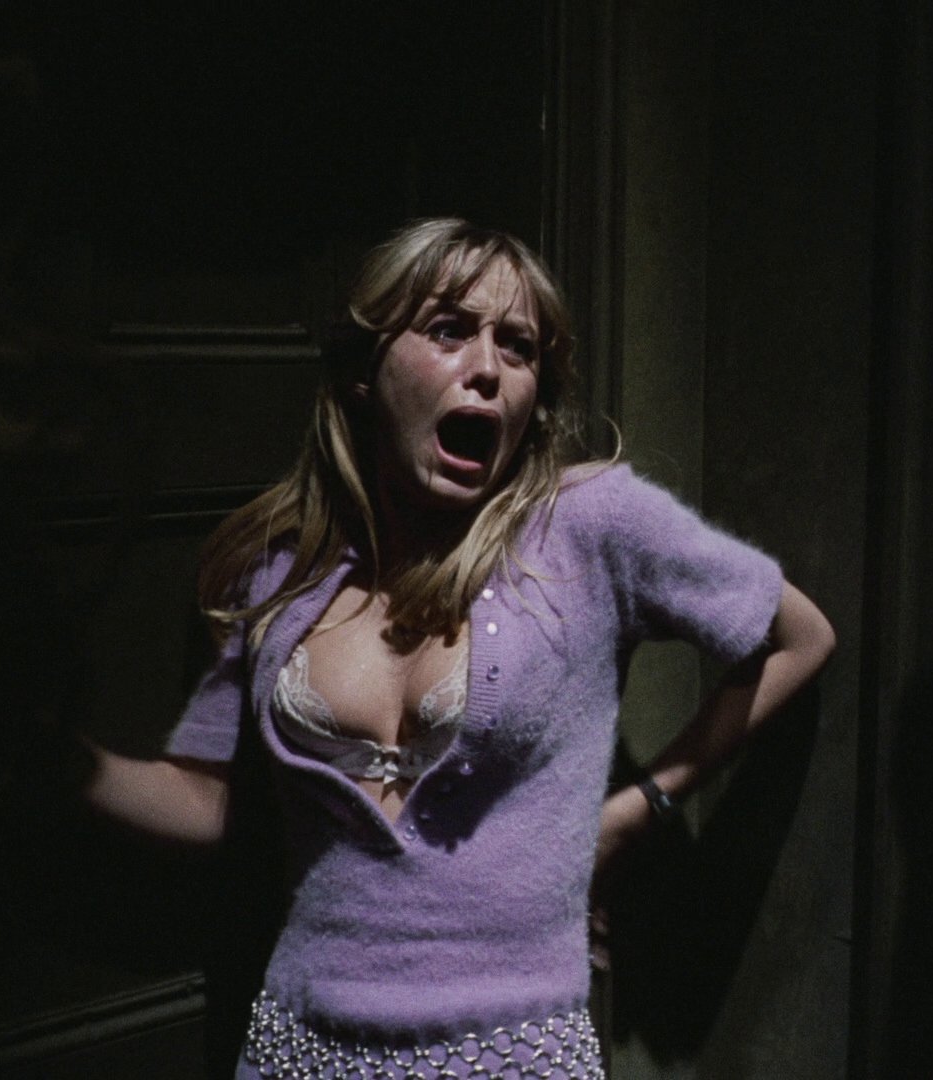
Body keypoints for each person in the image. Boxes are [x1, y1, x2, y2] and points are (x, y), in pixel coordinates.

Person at [83, 217, 835, 1078]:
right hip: (300, 1045)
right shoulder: (273, 568)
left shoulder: (587, 527)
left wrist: (635, 812)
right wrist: (56, 758)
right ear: (365, 371)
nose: (488, 367)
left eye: (518, 347)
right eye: (449, 331)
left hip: (511, 1053)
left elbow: (800, 637)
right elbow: (212, 797)